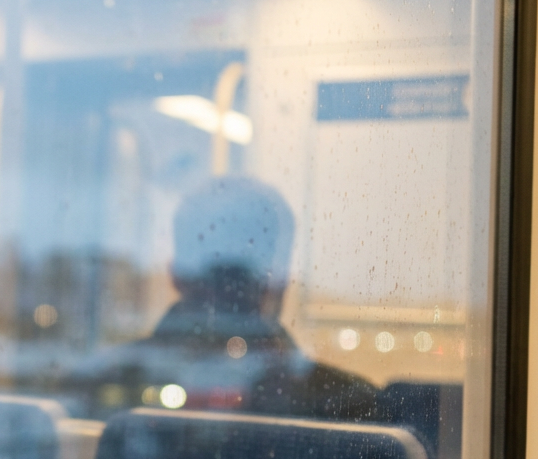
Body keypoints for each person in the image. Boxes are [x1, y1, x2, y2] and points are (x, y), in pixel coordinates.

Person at [79, 175, 384, 422]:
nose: (227, 293)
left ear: (176, 274)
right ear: (279, 281)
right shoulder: (350, 407)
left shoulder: (98, 388)